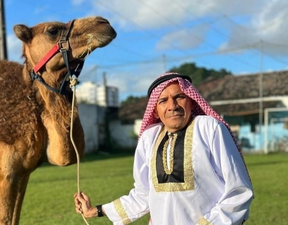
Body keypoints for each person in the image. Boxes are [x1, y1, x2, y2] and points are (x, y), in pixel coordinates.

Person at [74, 72, 254, 225]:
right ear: (155, 110)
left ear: (191, 101)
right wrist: (96, 210)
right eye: (163, 101)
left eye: (179, 97)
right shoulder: (149, 138)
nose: (172, 106)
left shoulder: (209, 128)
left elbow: (238, 191)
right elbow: (143, 195)